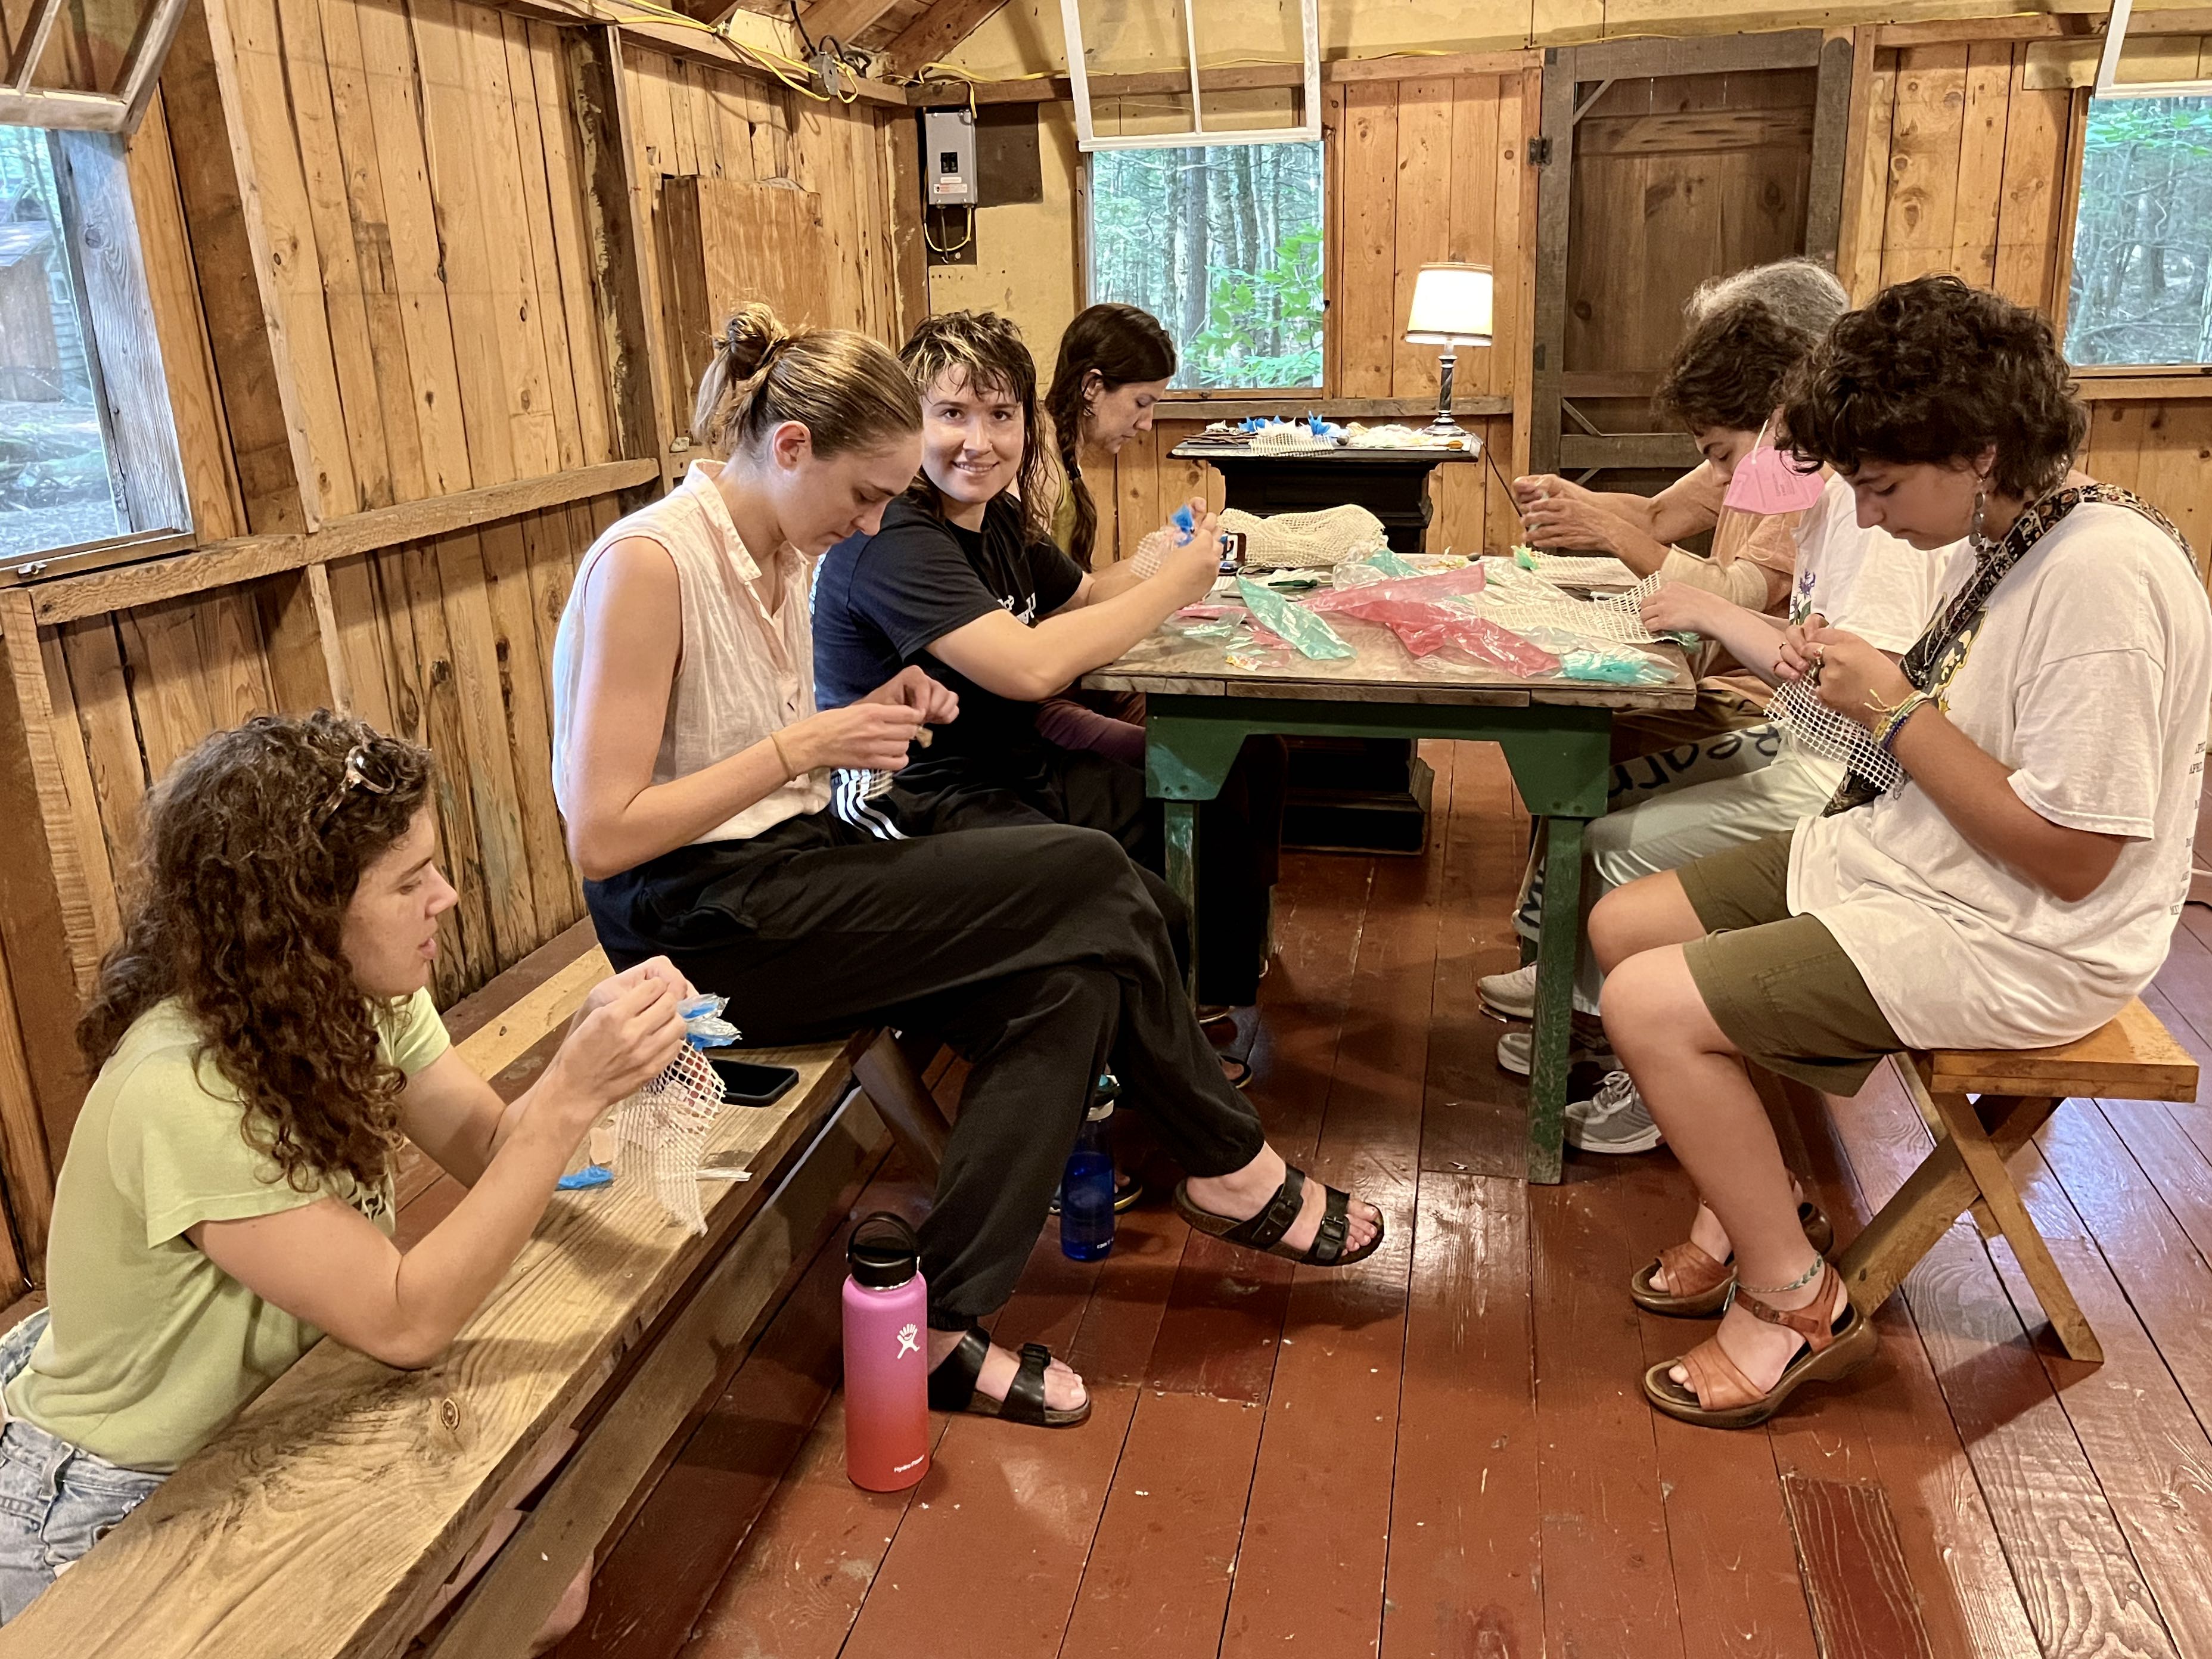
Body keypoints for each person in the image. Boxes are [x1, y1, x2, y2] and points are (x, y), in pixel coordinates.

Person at [552, 305, 1382, 1433]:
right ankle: (1230, 1164)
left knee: (1070, 982)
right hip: (697, 919)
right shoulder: (650, 562)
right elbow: (602, 834)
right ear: (790, 448)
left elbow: (763, 745)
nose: (874, 520)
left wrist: (873, 710)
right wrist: (807, 743)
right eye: (863, 494)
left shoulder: (786, 550)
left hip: (793, 863)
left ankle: (937, 1321)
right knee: (1092, 876)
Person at [1591, 275, 2211, 1428]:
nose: (1864, 517)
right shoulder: (2014, 532)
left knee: (1647, 1003)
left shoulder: (2100, 579)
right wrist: (1845, 693)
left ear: (1978, 448)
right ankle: (1758, 1198)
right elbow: (1909, 752)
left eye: (1877, 487)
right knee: (1623, 921)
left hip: (2031, 937)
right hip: (1924, 857)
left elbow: (2074, 859)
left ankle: (1792, 1301)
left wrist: (1889, 711)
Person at [0, 713, 692, 1639]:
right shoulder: (183, 1087)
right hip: (109, 1495)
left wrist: (587, 1053)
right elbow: (406, 1323)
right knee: (538, 1581)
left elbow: (490, 1148)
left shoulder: (355, 995)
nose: (445, 897)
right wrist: (569, 1097)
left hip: (266, 1410)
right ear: (303, 914)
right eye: (410, 881)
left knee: (550, 1477)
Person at [1481, 289, 1952, 1157]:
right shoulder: (1828, 502)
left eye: (1730, 455)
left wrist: (1717, 615)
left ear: (1785, 421)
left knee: (1616, 839)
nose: (1729, 479)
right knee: (1602, 802)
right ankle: (1586, 1011)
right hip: (1815, 745)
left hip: (1843, 776)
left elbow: (1852, 685)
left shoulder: (1864, 518)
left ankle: (1631, 1052)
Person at [812, 309, 1281, 1011]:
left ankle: (1207, 999)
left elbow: (1083, 597)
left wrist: (1175, 554)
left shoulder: (995, 517)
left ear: (1027, 423)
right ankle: (1132, 1051)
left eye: (1001, 415)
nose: (979, 441)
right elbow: (1029, 668)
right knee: (1142, 904)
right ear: (912, 422)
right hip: (926, 794)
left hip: (1015, 760)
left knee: (1205, 804)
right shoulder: (895, 540)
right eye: (951, 414)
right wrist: (1174, 587)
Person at [1513, 259, 1856, 762]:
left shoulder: (1809, 477)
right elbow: (1656, 515)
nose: (1720, 475)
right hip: (1737, 684)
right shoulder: (1751, 459)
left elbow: (1735, 592)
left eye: (1721, 453)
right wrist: (1569, 498)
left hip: (1763, 704)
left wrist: (1604, 530)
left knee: (1572, 749)